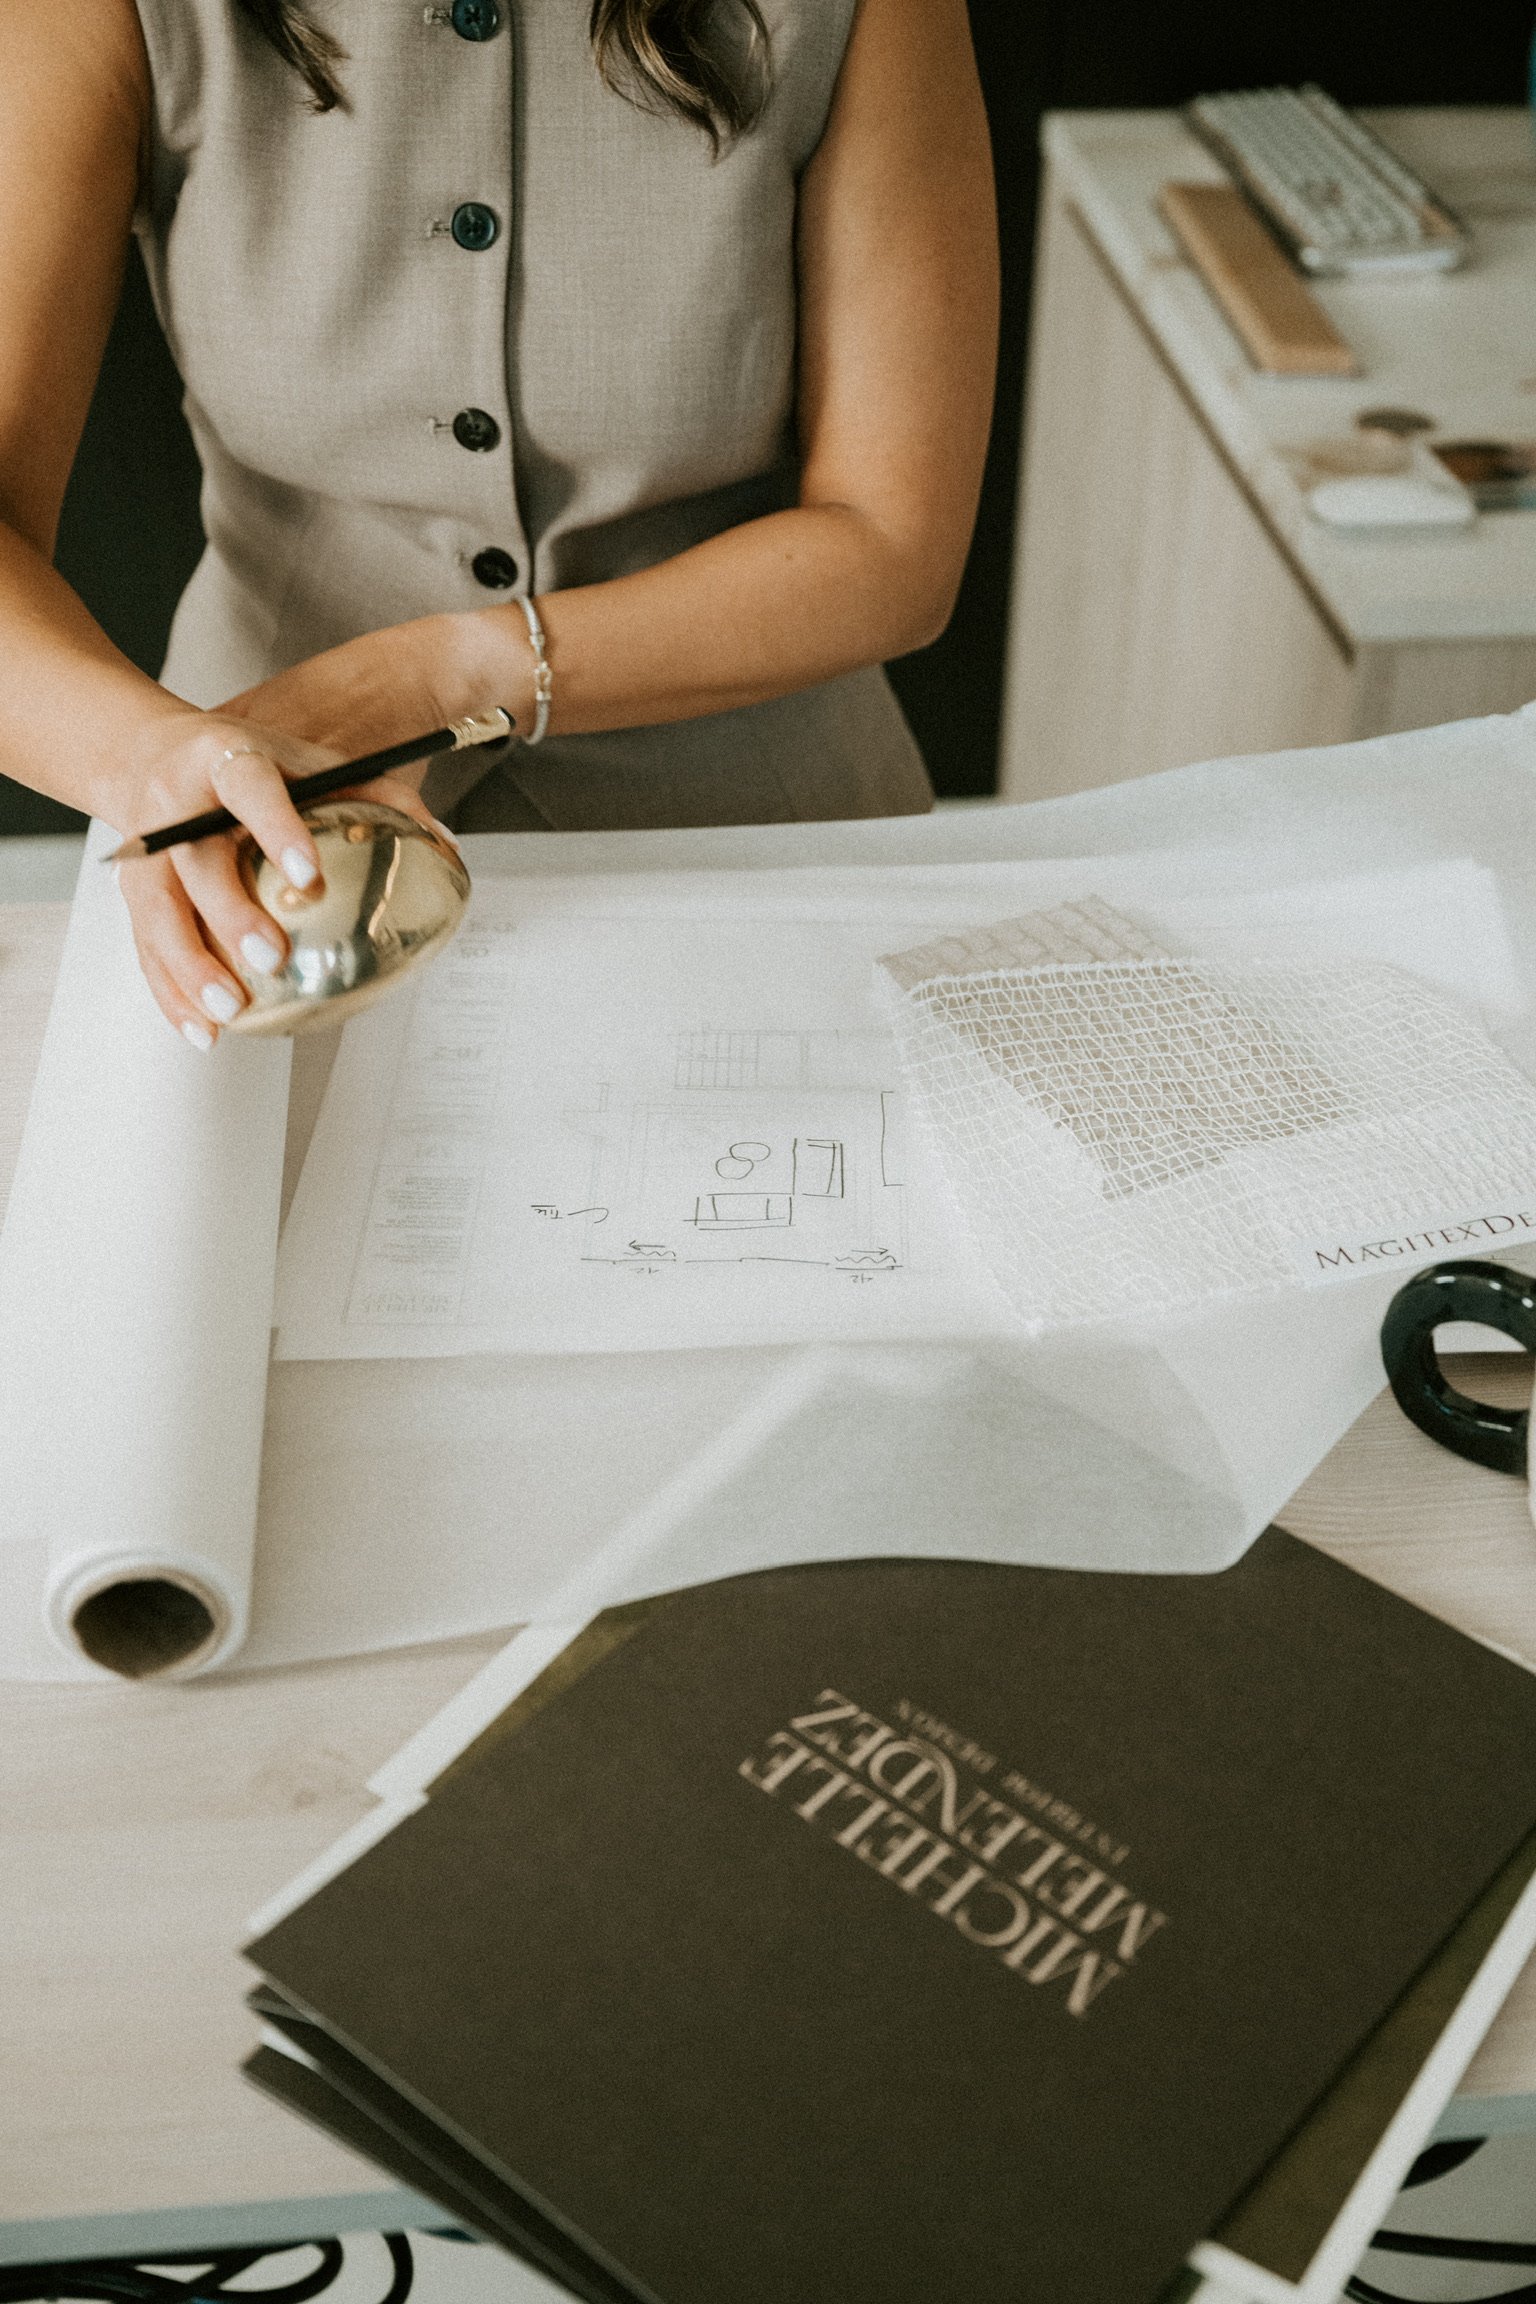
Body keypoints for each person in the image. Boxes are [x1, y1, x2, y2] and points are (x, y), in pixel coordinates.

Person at [0, 0, 997, 1046]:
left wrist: (452, 675)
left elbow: (893, 538)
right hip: (261, 876)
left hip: (756, 857)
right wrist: (142, 760)